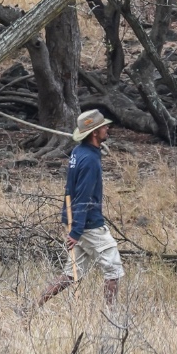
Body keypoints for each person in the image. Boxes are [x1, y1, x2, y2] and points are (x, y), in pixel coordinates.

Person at [38, 108, 124, 309]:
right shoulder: (91, 160)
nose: (108, 128)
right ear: (95, 132)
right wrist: (76, 231)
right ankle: (112, 317)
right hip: (89, 225)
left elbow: (71, 189)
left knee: (70, 273)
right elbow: (84, 196)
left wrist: (72, 224)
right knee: (114, 270)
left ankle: (33, 307)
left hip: (75, 218)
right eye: (104, 126)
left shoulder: (78, 152)